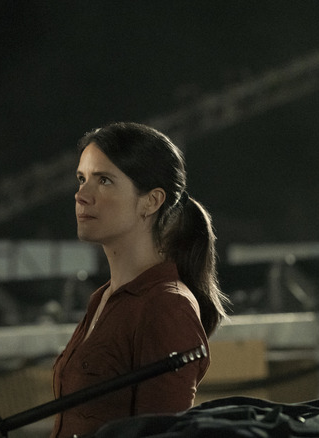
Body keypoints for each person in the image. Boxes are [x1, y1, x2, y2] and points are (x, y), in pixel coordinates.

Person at [51, 122, 229, 438]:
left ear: (151, 201)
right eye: (82, 179)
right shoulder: (103, 297)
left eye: (103, 180)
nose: (81, 195)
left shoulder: (166, 306)